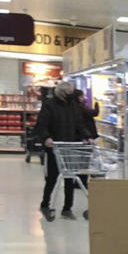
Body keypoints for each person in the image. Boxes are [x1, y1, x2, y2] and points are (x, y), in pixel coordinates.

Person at [35, 81, 94, 221]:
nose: (72, 95)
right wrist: (46, 138)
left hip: (71, 146)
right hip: (55, 147)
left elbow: (80, 124)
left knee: (70, 177)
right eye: (70, 92)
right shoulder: (49, 105)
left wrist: (87, 136)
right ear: (61, 93)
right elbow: (41, 124)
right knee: (52, 177)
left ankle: (67, 208)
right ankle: (45, 204)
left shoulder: (74, 106)